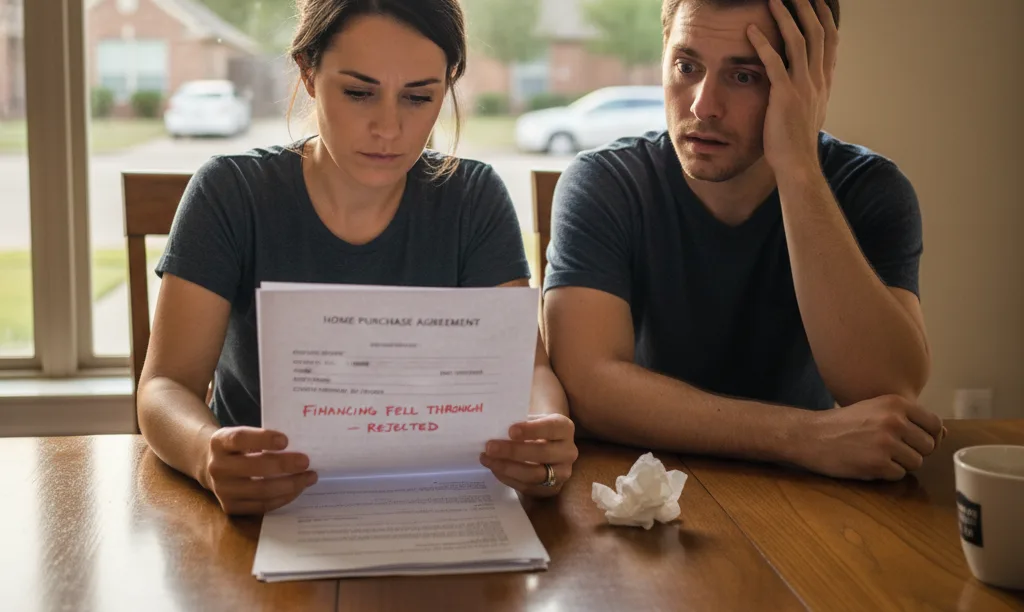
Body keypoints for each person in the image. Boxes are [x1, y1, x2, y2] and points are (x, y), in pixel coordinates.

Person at [137, 0, 577, 515]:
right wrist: (205, 456)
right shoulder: (231, 193)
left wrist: (544, 440)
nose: (388, 128)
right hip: (267, 510)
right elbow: (166, 386)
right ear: (307, 72)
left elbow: (528, 371)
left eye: (418, 97)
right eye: (358, 92)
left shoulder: (471, 198)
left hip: (436, 505)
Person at [544, 0, 944, 482]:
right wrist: (803, 436)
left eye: (745, 76)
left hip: (808, 497)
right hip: (644, 482)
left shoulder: (867, 188)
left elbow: (886, 388)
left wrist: (798, 167)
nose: (702, 106)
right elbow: (588, 388)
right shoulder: (606, 183)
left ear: (810, 79)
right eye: (686, 66)